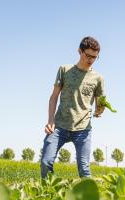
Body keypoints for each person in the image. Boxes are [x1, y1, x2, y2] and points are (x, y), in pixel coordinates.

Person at [40, 36, 105, 178]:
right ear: (79, 51)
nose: (91, 60)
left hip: (83, 129)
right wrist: (50, 121)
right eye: (88, 55)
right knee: (46, 162)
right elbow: (53, 97)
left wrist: (99, 111)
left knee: (84, 169)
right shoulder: (65, 70)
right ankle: (47, 196)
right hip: (59, 126)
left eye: (95, 57)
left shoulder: (98, 78)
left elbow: (99, 105)